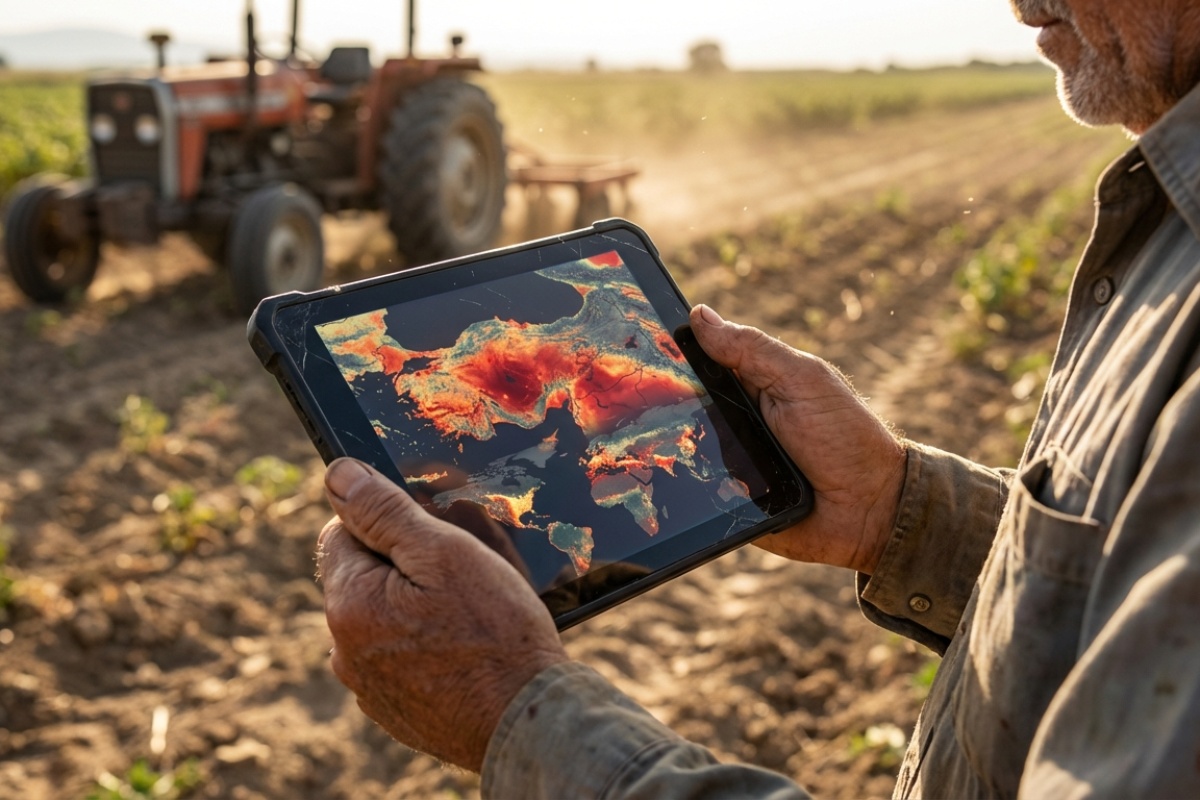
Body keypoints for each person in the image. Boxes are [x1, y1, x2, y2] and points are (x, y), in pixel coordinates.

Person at [315, 0, 1200, 796]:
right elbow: (1120, 601)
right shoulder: (1170, 226)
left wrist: (516, 713)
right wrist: (897, 509)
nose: (1014, 3)